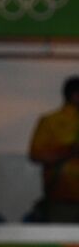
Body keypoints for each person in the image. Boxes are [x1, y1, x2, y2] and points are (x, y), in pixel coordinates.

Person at [28, 76, 79, 222]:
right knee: (61, 241)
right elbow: (36, 155)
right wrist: (70, 150)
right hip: (62, 200)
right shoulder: (51, 121)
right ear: (74, 95)